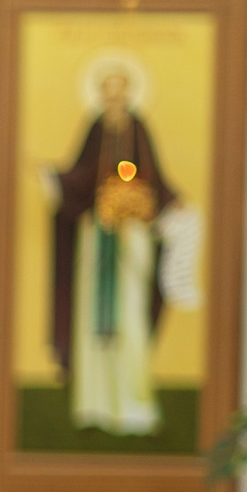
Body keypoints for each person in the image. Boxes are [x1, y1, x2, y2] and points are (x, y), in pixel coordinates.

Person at [49, 66, 177, 436]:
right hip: (96, 235)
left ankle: (133, 405)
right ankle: (95, 405)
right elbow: (80, 176)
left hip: (131, 238)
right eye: (107, 91)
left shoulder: (138, 130)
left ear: (130, 93)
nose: (113, 98)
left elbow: (156, 178)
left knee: (129, 318)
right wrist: (56, 179)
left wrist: (158, 202)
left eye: (120, 91)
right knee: (91, 320)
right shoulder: (95, 129)